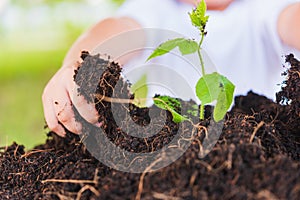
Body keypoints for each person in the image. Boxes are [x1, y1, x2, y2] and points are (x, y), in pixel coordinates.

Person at [42, 0, 300, 137]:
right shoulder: (157, 9)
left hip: (264, 138)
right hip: (174, 142)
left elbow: (292, 19)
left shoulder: (265, 7)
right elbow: (118, 30)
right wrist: (80, 67)